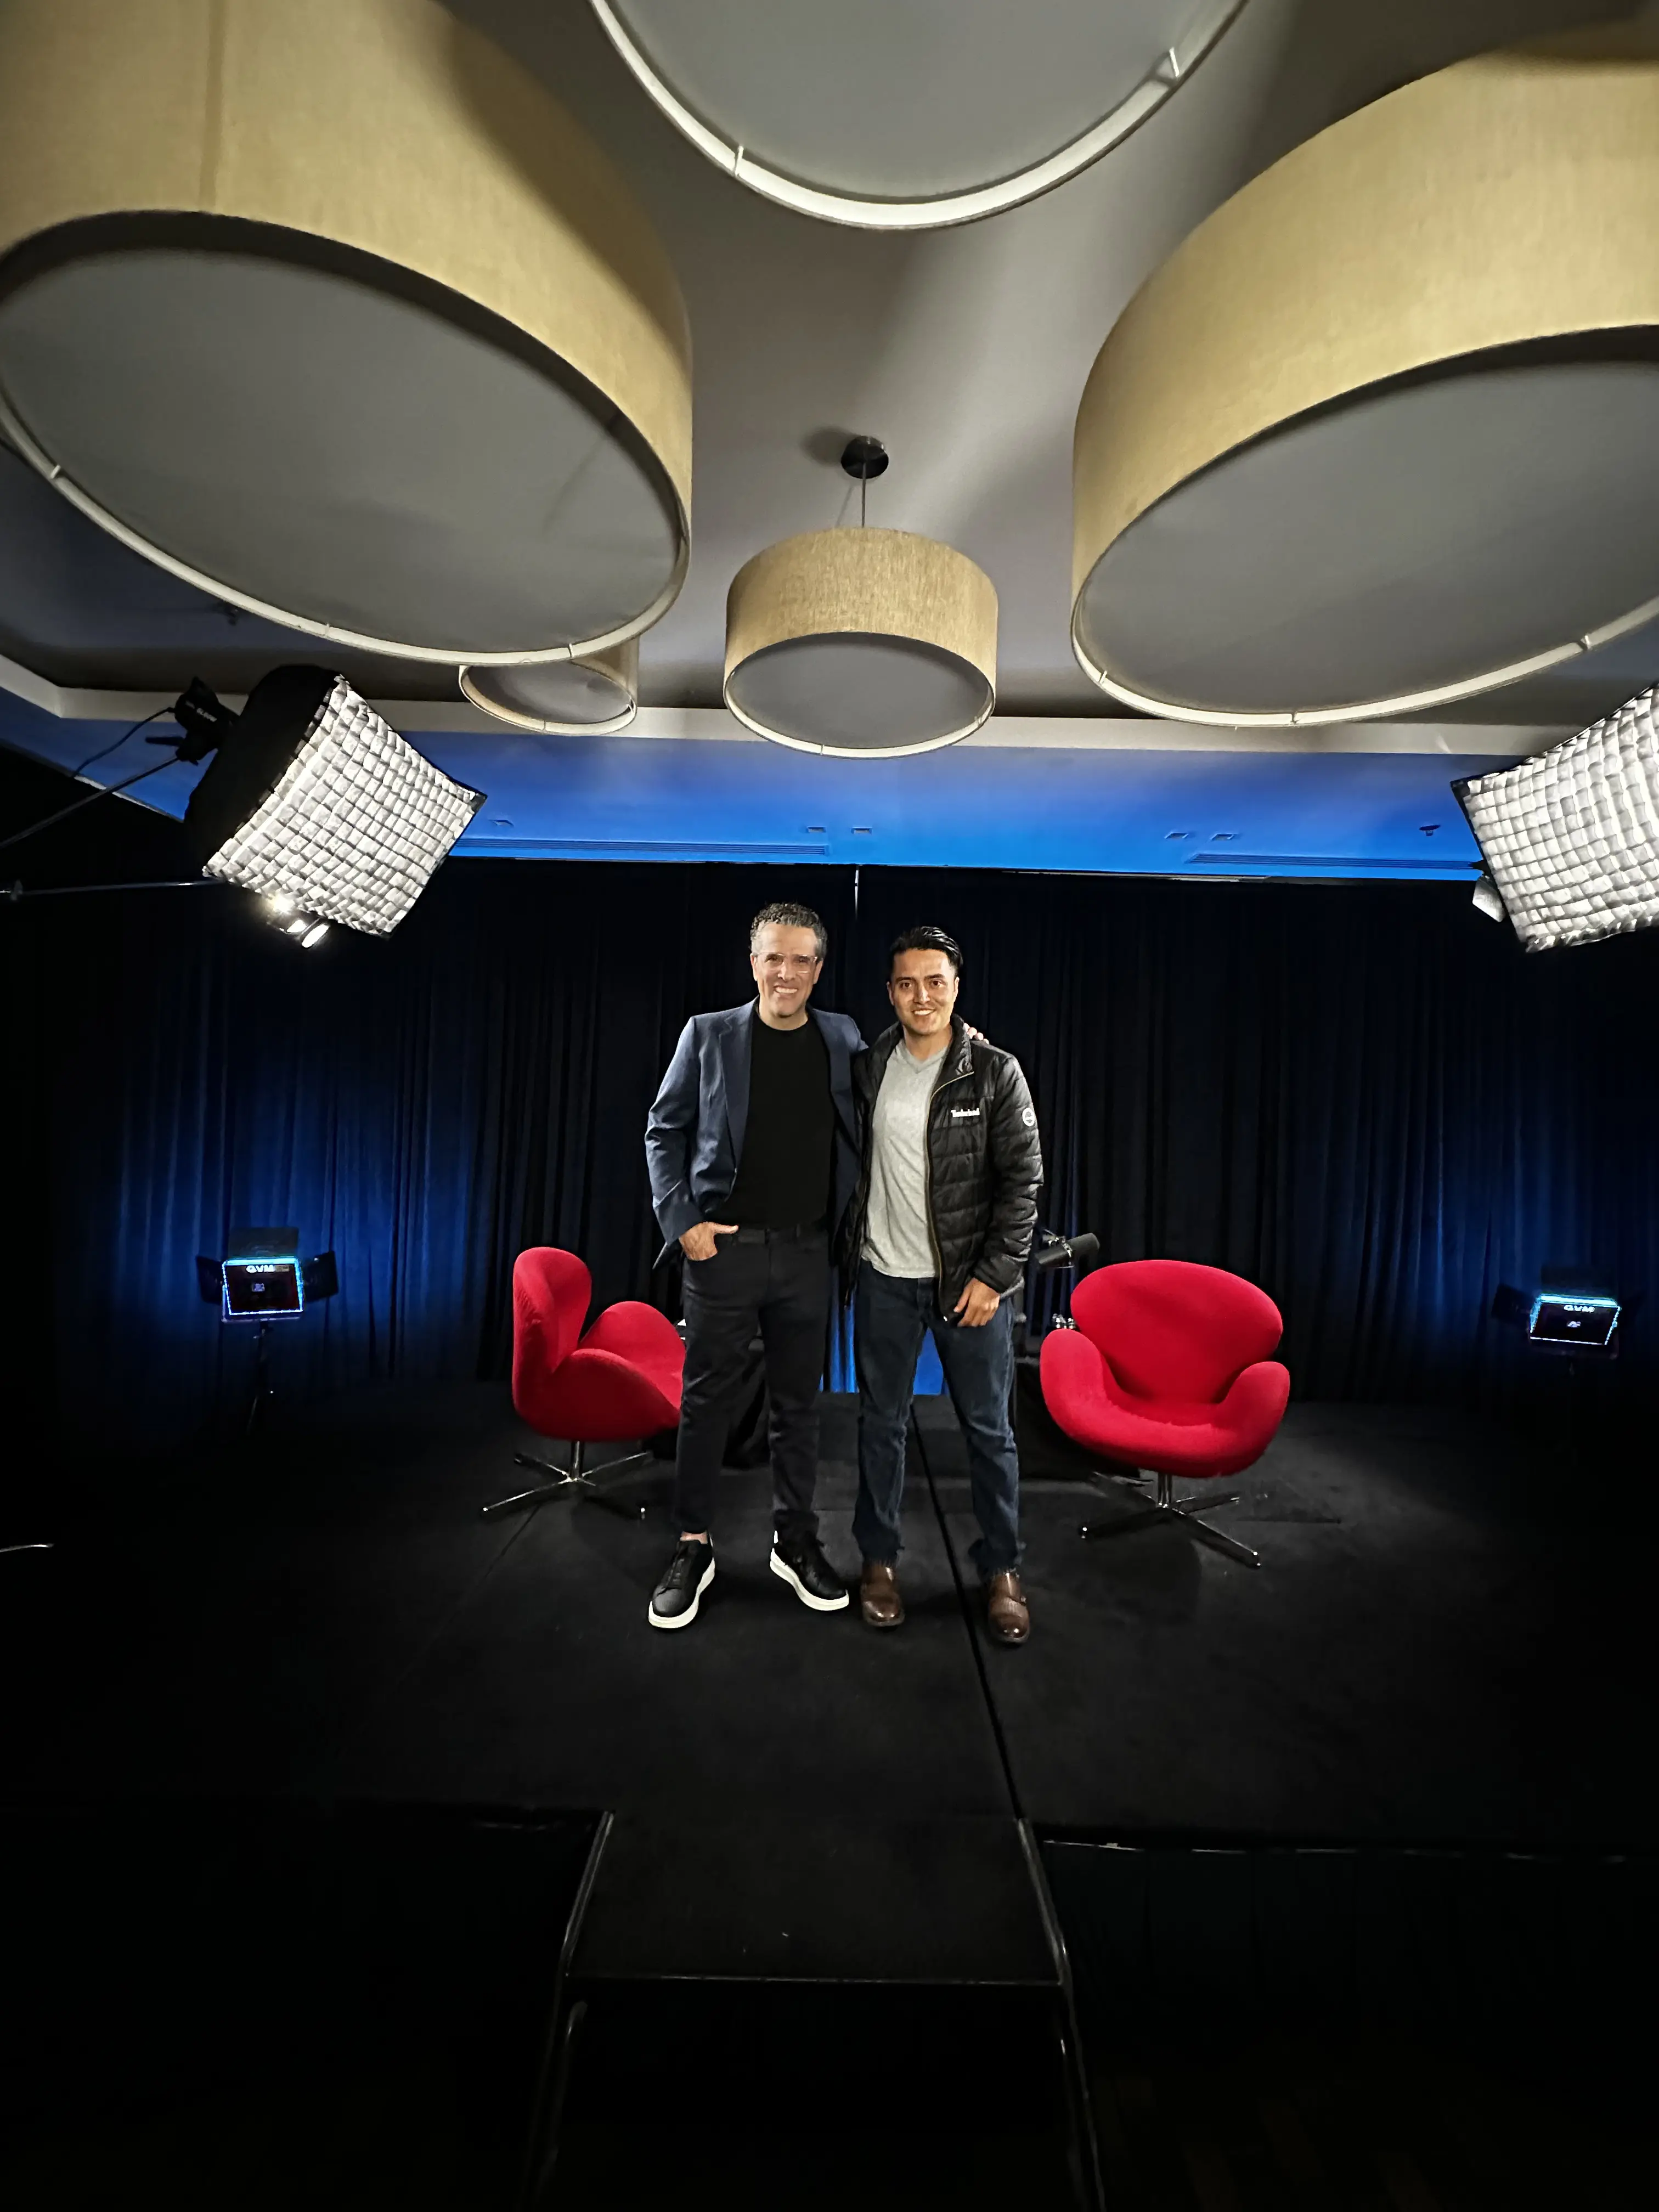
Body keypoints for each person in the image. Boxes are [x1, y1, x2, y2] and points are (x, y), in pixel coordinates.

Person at [643, 902, 862, 1630]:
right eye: (774, 957)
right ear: (753, 961)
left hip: (807, 1254)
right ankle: (693, 1545)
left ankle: (794, 1539)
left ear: (819, 969)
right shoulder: (707, 1036)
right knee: (706, 1404)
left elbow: (897, 1083)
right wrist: (685, 1228)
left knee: (800, 1410)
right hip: (723, 1256)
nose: (787, 973)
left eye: (802, 960)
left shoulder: (842, 1037)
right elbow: (662, 1129)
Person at [849, 927, 1043, 1645]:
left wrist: (996, 1276)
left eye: (935, 981)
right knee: (880, 1428)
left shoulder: (994, 1071)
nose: (921, 995)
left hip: (970, 1290)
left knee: (990, 1434)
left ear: (956, 986)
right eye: (907, 983)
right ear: (891, 992)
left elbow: (1023, 1182)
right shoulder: (867, 1065)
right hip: (884, 1281)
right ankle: (878, 1563)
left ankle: (1003, 1571)